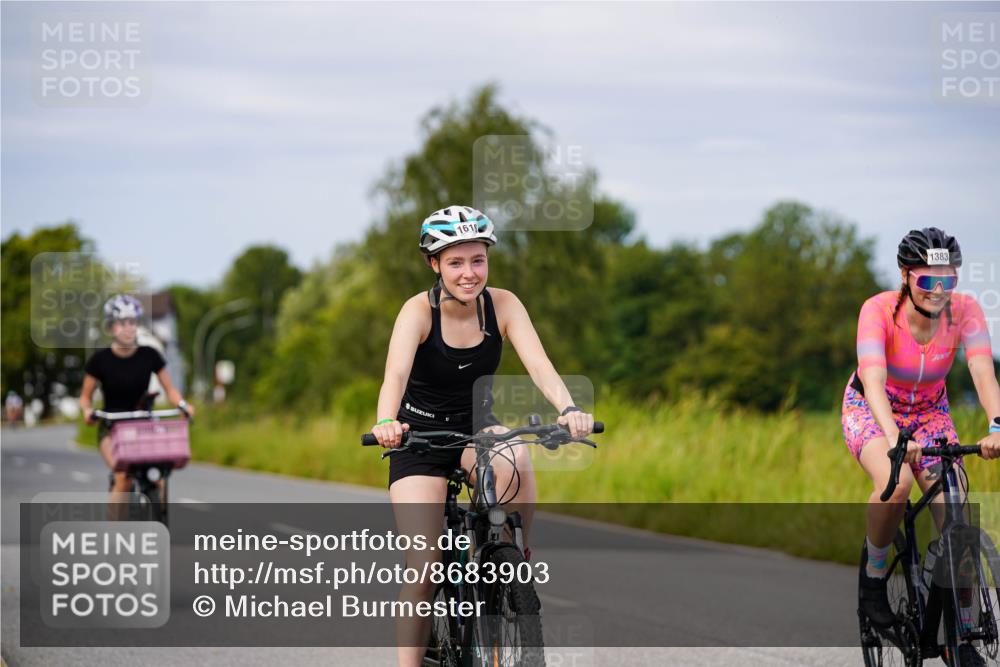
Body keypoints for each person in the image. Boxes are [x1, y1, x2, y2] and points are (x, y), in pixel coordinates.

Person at [370, 205, 595, 667]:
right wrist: (386, 422)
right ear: (434, 265)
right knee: (425, 567)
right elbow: (394, 374)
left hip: (476, 428)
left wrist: (568, 408)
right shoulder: (417, 311)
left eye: (478, 260)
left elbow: (539, 365)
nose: (469, 273)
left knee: (517, 458)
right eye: (455, 262)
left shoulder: (504, 305)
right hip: (418, 438)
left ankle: (512, 558)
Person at [844, 228, 1000, 641]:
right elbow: (873, 380)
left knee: (957, 514)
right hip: (874, 409)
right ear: (905, 276)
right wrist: (895, 437)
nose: (938, 291)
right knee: (897, 486)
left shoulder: (966, 311)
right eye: (928, 280)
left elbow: (983, 372)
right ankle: (875, 578)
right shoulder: (877, 310)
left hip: (930, 412)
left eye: (948, 280)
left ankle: (961, 627)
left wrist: (997, 423)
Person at [79, 295, 194, 500]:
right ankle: (116, 531)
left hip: (143, 426)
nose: (128, 328)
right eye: (122, 323)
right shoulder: (100, 360)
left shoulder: (149, 355)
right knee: (124, 476)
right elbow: (85, 397)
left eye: (132, 322)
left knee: (158, 479)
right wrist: (87, 411)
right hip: (112, 427)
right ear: (111, 327)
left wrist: (183, 405)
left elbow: (170, 390)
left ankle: (159, 519)